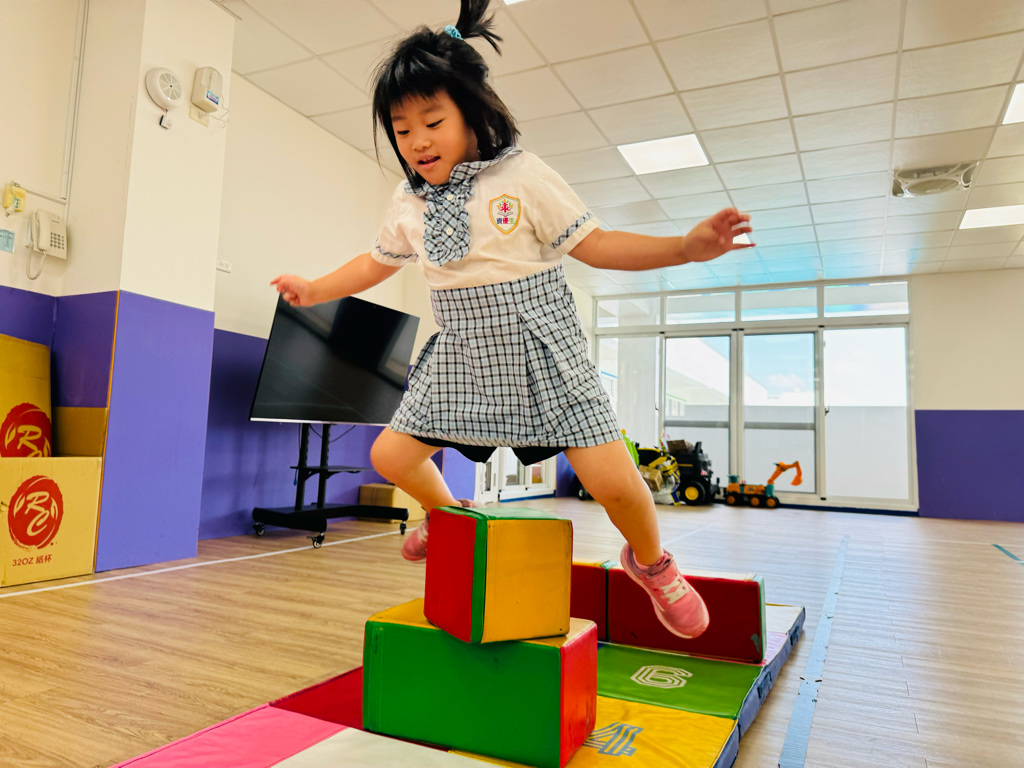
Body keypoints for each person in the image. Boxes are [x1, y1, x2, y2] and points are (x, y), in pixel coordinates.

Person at [270, 0, 753, 639]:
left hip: (541, 344)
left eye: (433, 122)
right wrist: (315, 288)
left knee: (615, 483)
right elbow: (375, 262)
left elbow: (598, 245)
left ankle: (653, 564)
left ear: (472, 113)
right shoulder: (408, 201)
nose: (417, 141)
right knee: (391, 454)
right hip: (463, 348)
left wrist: (682, 249)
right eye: (402, 129)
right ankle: (448, 515)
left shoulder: (519, 175)